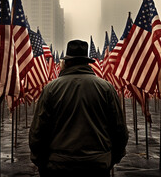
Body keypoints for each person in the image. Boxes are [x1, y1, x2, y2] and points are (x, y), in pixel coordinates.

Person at [29, 39, 129, 177]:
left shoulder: (51, 89)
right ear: (87, 62)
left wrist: (41, 162)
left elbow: (38, 131)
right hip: (97, 165)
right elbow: (119, 130)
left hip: (59, 165)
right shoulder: (106, 88)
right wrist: (110, 159)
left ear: (68, 62)